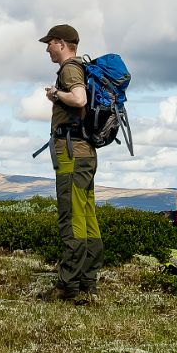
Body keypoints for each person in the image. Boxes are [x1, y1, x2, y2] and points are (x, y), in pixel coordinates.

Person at [40, 23, 102, 302]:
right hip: (84, 150)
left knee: (72, 216)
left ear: (63, 43)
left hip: (71, 152)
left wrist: (55, 94)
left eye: (50, 42)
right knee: (86, 215)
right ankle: (87, 282)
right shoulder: (82, 68)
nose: (47, 48)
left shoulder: (69, 69)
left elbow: (79, 99)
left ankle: (68, 286)